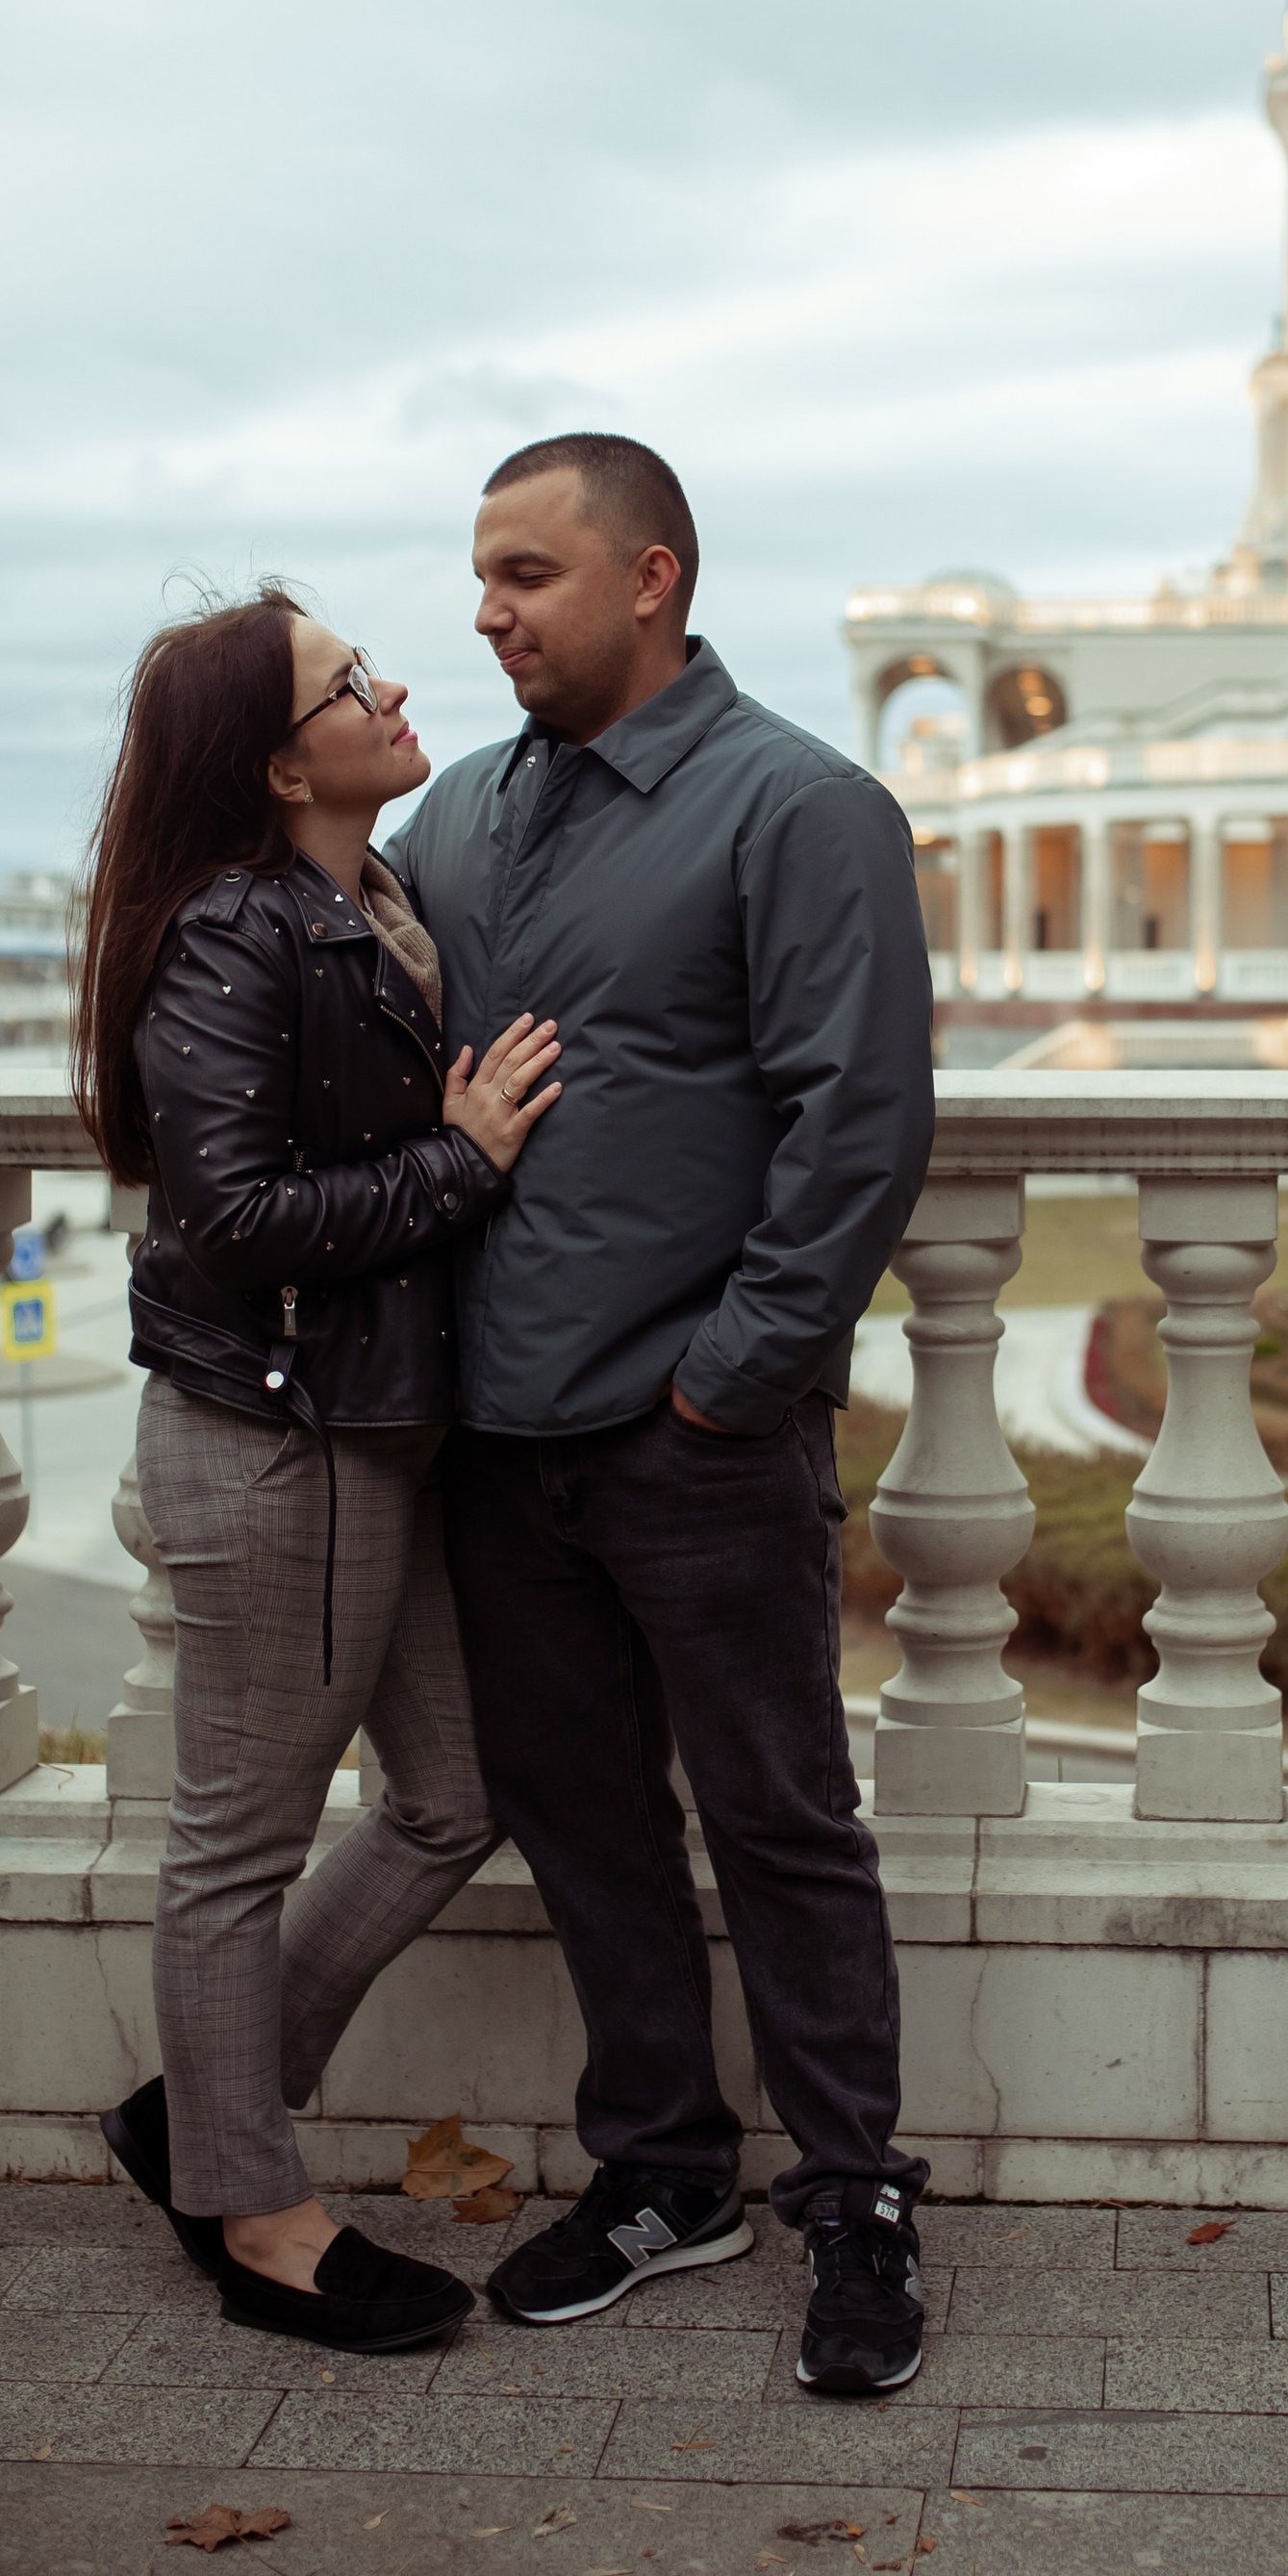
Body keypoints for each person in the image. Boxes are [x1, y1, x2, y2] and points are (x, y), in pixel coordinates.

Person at [388, 433, 936, 2397]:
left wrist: (730, 1378)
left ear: (651, 576)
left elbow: (856, 1126)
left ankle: (856, 2194)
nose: (486, 609)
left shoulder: (798, 805)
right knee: (582, 1822)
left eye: (527, 571)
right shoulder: (452, 818)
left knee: (781, 1819)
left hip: (696, 1436)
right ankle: (660, 2172)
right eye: (479, 573)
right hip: (495, 1441)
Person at [74, 585, 561, 2355]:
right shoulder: (229, 932)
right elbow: (234, 1219)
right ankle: (255, 2215)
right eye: (353, 683)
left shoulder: (373, 894)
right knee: (237, 1844)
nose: (398, 683)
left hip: (376, 1431)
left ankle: (196, 2118)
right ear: (282, 761)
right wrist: (462, 1154)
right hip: (280, 1443)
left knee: (457, 1788)